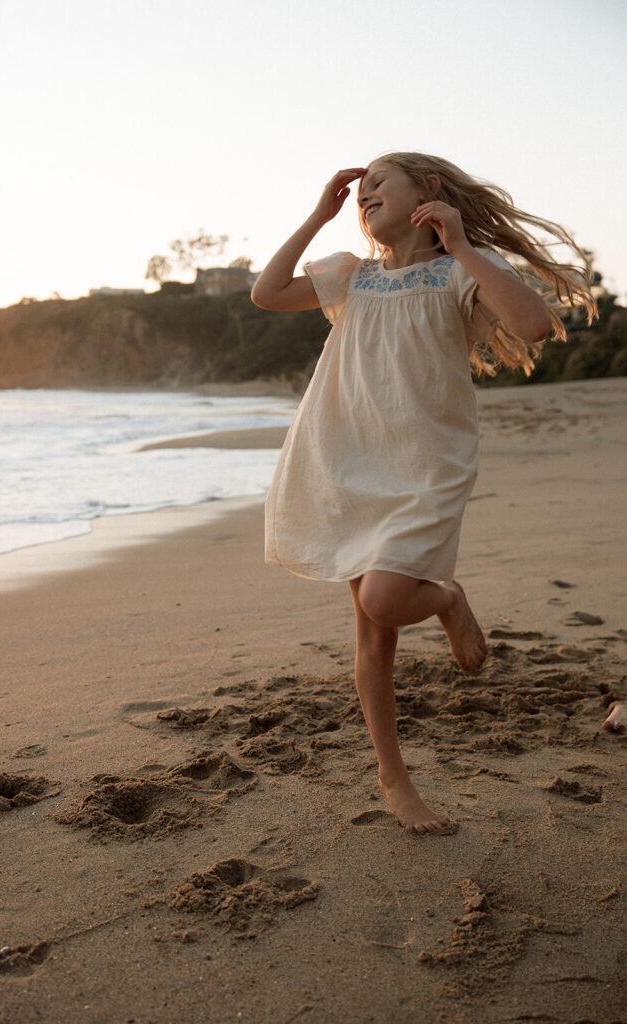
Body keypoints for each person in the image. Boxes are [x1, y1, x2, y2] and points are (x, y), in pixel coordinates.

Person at [251, 152, 595, 835]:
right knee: (372, 640)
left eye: (381, 181)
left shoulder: (456, 273)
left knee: (386, 599)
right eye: (360, 190)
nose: (365, 193)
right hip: (342, 459)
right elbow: (266, 293)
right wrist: (318, 216)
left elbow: (531, 325)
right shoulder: (349, 275)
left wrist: (463, 244)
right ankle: (393, 777)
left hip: (420, 467)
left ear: (427, 191)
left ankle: (445, 597)